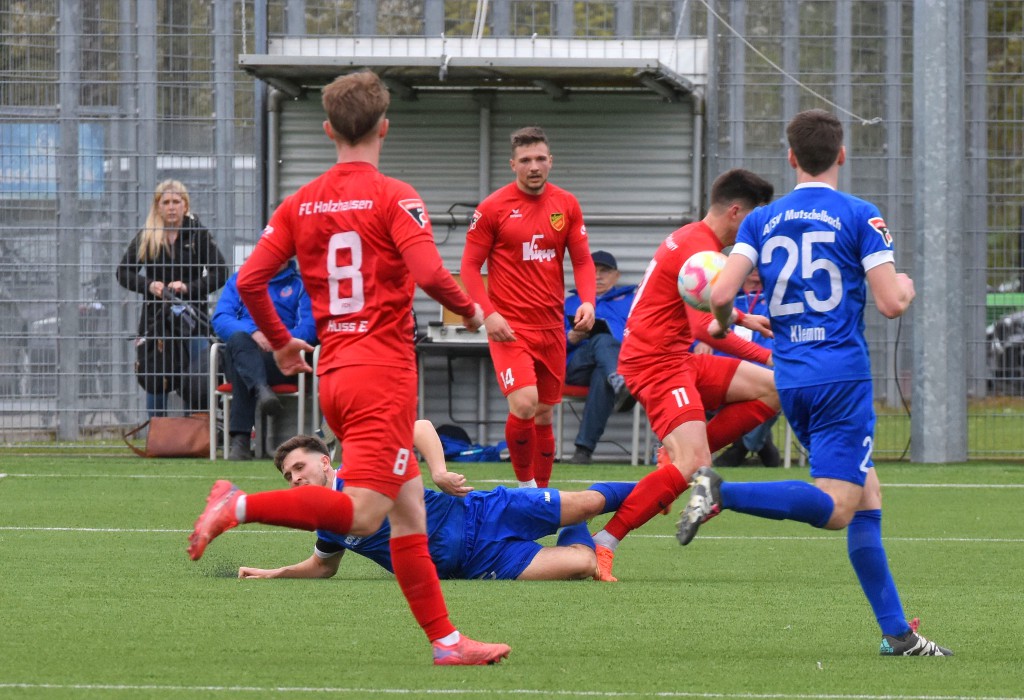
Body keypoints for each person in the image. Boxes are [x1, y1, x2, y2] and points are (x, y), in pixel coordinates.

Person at [188, 71, 510, 666]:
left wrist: (282, 344)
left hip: (336, 373)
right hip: (380, 375)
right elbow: (431, 274)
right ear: (384, 128)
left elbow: (251, 281)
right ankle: (238, 505)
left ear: (328, 129)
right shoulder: (395, 196)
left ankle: (447, 642)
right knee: (364, 514)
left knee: (409, 514)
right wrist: (474, 312)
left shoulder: (300, 202)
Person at [679, 109, 952, 656]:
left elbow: (720, 295)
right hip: (841, 377)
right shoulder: (861, 215)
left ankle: (897, 634)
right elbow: (890, 303)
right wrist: (905, 285)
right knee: (838, 508)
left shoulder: (761, 220)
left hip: (791, 377)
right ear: (841, 155)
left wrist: (729, 324)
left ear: (791, 158)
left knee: (868, 495)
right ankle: (721, 492)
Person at [591, 168, 780, 582]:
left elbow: (700, 308)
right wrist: (766, 356)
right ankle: (603, 542)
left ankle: (677, 454)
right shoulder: (701, 253)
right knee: (694, 463)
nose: (757, 232)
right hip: (656, 366)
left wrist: (744, 317)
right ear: (736, 212)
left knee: (774, 390)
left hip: (676, 358)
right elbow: (705, 328)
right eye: (755, 220)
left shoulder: (695, 239)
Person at [237, 431, 638, 582]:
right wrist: (276, 572)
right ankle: (579, 530)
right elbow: (323, 566)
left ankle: (663, 483)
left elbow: (419, 427)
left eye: (300, 468)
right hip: (479, 563)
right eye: (288, 476)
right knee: (583, 564)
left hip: (482, 512)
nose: (295, 479)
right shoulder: (327, 523)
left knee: (588, 502)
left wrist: (440, 471)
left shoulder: (365, 468)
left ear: (325, 462)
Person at [460, 126, 597, 488]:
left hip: (551, 328)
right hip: (510, 328)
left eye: (539, 159)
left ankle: (542, 496)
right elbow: (469, 267)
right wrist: (489, 314)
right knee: (524, 403)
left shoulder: (566, 204)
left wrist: (588, 300)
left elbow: (582, 260)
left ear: (550, 161)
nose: (533, 166)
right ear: (513, 165)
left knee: (544, 413)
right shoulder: (493, 208)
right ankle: (525, 490)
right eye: (525, 160)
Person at [116, 179, 228, 417]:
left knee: (197, 377)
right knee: (156, 376)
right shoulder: (148, 235)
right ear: (157, 206)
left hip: (192, 318)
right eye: (165, 202)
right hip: (157, 319)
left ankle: (194, 431)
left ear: (185, 205)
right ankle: (157, 431)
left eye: (176, 201)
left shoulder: (197, 234)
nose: (171, 207)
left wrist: (187, 287)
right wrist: (149, 285)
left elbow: (220, 272)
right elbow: (123, 272)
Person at [211, 259, 317, 461]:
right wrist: (254, 333)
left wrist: (276, 339)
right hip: (242, 350)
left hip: (280, 360)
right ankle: (261, 389)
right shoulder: (240, 281)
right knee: (239, 340)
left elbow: (309, 330)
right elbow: (221, 319)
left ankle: (240, 442)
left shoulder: (301, 285)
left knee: (244, 365)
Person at [563, 250, 637, 464]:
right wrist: (570, 337)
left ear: (616, 276)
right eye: (592, 270)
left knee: (602, 374)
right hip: (577, 365)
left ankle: (583, 451)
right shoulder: (570, 302)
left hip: (616, 362)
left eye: (604, 271)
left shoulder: (631, 302)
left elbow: (644, 333)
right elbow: (550, 343)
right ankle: (619, 381)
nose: (597, 276)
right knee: (602, 341)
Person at [707, 267, 782, 467]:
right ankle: (758, 444)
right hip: (725, 366)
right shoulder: (723, 298)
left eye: (759, 265)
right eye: (750, 265)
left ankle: (740, 447)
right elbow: (701, 326)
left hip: (760, 367)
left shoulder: (774, 299)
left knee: (779, 385)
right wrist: (701, 340)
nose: (755, 270)